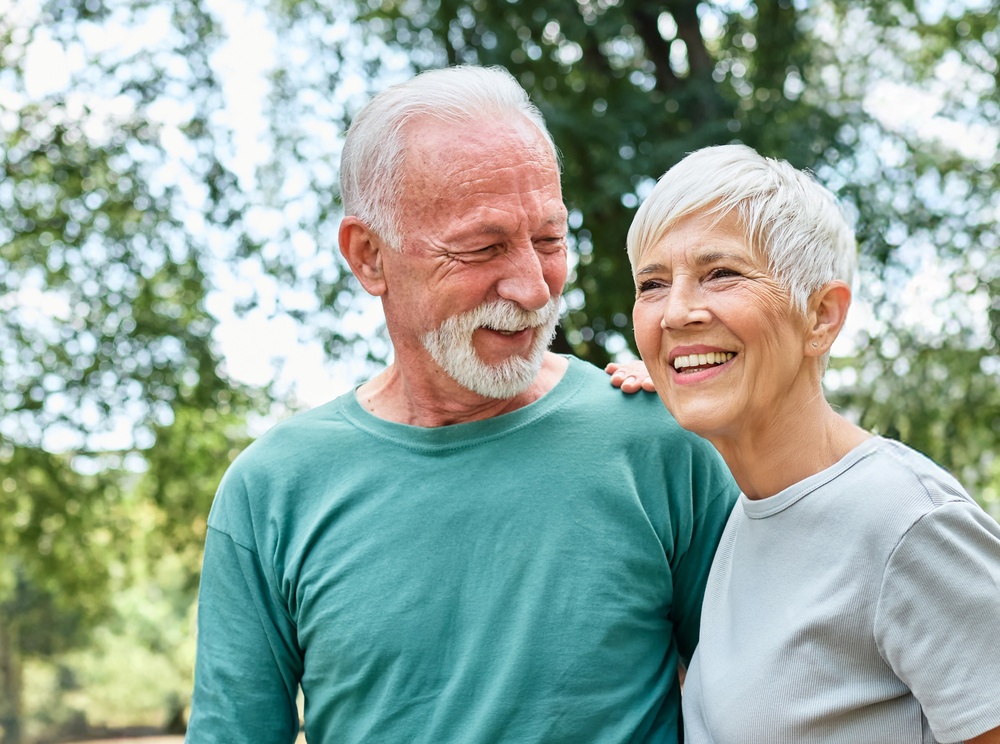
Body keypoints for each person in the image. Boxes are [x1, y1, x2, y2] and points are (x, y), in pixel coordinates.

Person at [185, 65, 738, 744]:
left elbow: (765, 701)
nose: (534, 290)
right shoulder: (271, 490)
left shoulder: (661, 442)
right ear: (369, 256)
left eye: (549, 240)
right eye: (483, 247)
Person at [619, 143, 1000, 743]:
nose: (678, 312)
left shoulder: (907, 522)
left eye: (722, 273)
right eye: (653, 283)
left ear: (821, 316)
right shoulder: (745, 514)